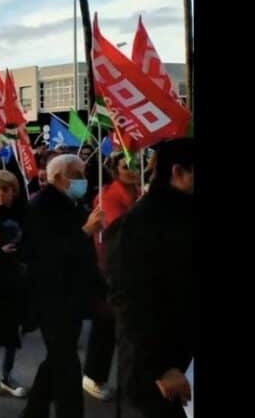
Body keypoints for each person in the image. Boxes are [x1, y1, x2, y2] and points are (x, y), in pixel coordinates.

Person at [107, 138, 195, 418]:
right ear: (178, 173)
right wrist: (162, 367)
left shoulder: (185, 213)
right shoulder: (139, 224)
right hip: (157, 374)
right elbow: (131, 301)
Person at [19, 154, 104, 418]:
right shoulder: (40, 207)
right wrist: (85, 232)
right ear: (58, 178)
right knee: (66, 362)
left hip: (72, 296)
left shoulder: (72, 204)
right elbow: (47, 255)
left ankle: (34, 410)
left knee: (58, 358)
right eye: (77, 175)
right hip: (51, 298)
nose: (83, 181)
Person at [82, 152, 141, 400]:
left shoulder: (139, 191)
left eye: (135, 165)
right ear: (115, 170)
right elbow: (118, 232)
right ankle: (94, 376)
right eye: (126, 166)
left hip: (134, 270)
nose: (132, 170)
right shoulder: (108, 196)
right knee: (106, 325)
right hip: (109, 269)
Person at [0, 170, 28, 398]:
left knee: (13, 334)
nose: (2, 195)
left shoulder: (24, 212)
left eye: (7, 189)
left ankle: (7, 375)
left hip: (18, 280)